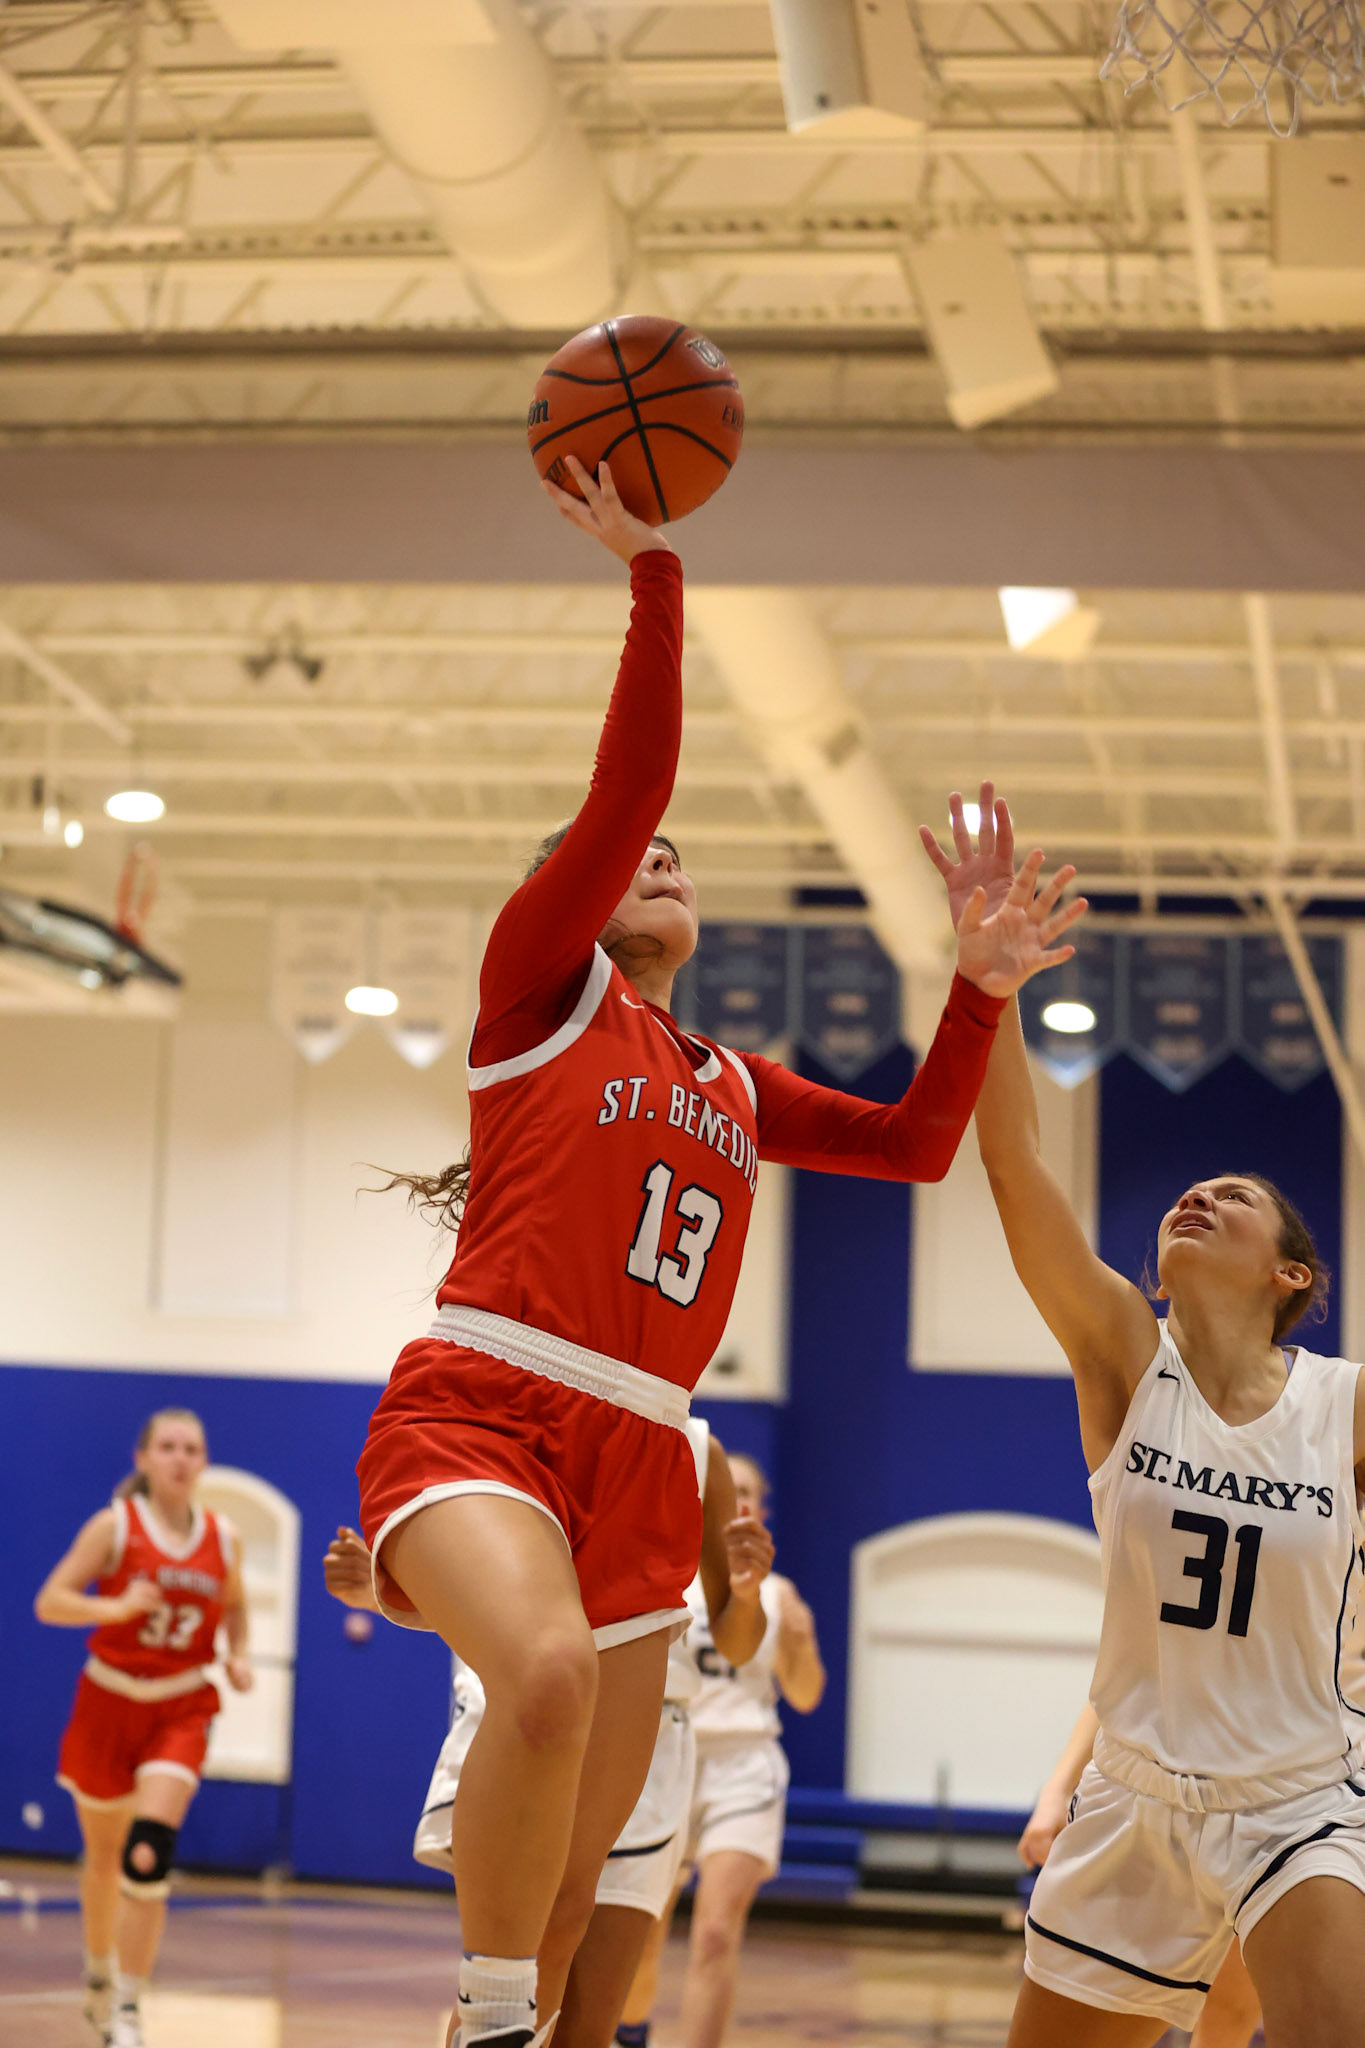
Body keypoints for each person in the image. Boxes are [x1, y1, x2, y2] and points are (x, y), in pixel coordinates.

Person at [357, 456, 1084, 2048]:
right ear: (574, 891)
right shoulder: (538, 998)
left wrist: (975, 985)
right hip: (488, 1398)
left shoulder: (730, 1087)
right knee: (539, 1684)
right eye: (641, 853)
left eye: (681, 856)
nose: (663, 854)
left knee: (594, 1895)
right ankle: (474, 2022)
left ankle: (525, 2004)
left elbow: (915, 1144)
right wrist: (653, 574)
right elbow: (626, 791)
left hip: (638, 1444)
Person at [923, 781, 1365, 2048]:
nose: (1202, 1191)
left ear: (1293, 1274)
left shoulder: (1345, 1407)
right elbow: (1011, 1162)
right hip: (1127, 1804)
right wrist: (985, 988)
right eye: (1190, 1187)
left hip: (1297, 1801)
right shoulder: (1126, 1359)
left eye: (1239, 1194)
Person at [326, 1420, 771, 2048]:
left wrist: (747, 1595)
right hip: (529, 1720)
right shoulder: (514, 1400)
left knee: (591, 2021)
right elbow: (502, 1594)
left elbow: (735, 1640)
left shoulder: (698, 1450)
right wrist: (385, 1592)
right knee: (514, 1988)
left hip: (650, 1738)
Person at [34, 1408, 252, 2048]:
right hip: (109, 1700)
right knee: (103, 1861)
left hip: (182, 1706)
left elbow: (234, 1609)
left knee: (146, 1852)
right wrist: (115, 1605)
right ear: (144, 1458)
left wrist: (237, 1654)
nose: (181, 1458)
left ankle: (129, 2009)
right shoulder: (115, 1525)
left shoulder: (225, 1536)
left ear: (203, 1461)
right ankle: (99, 1975)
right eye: (168, 1447)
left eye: (192, 1448)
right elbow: (51, 1601)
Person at [621, 1450, 824, 2048]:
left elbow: (806, 1695)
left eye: (748, 1493)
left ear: (760, 1509)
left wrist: (802, 1644)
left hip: (744, 1765)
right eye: (725, 1490)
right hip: (666, 1757)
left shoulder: (779, 1593)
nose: (737, 1501)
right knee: (645, 1928)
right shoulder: (666, 1574)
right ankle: (628, 2031)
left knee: (714, 1932)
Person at [1020, 1706, 1263, 2048]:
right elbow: (1113, 1685)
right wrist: (1056, 1789)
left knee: (1231, 2014)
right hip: (1148, 1805)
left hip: (1280, 1807)